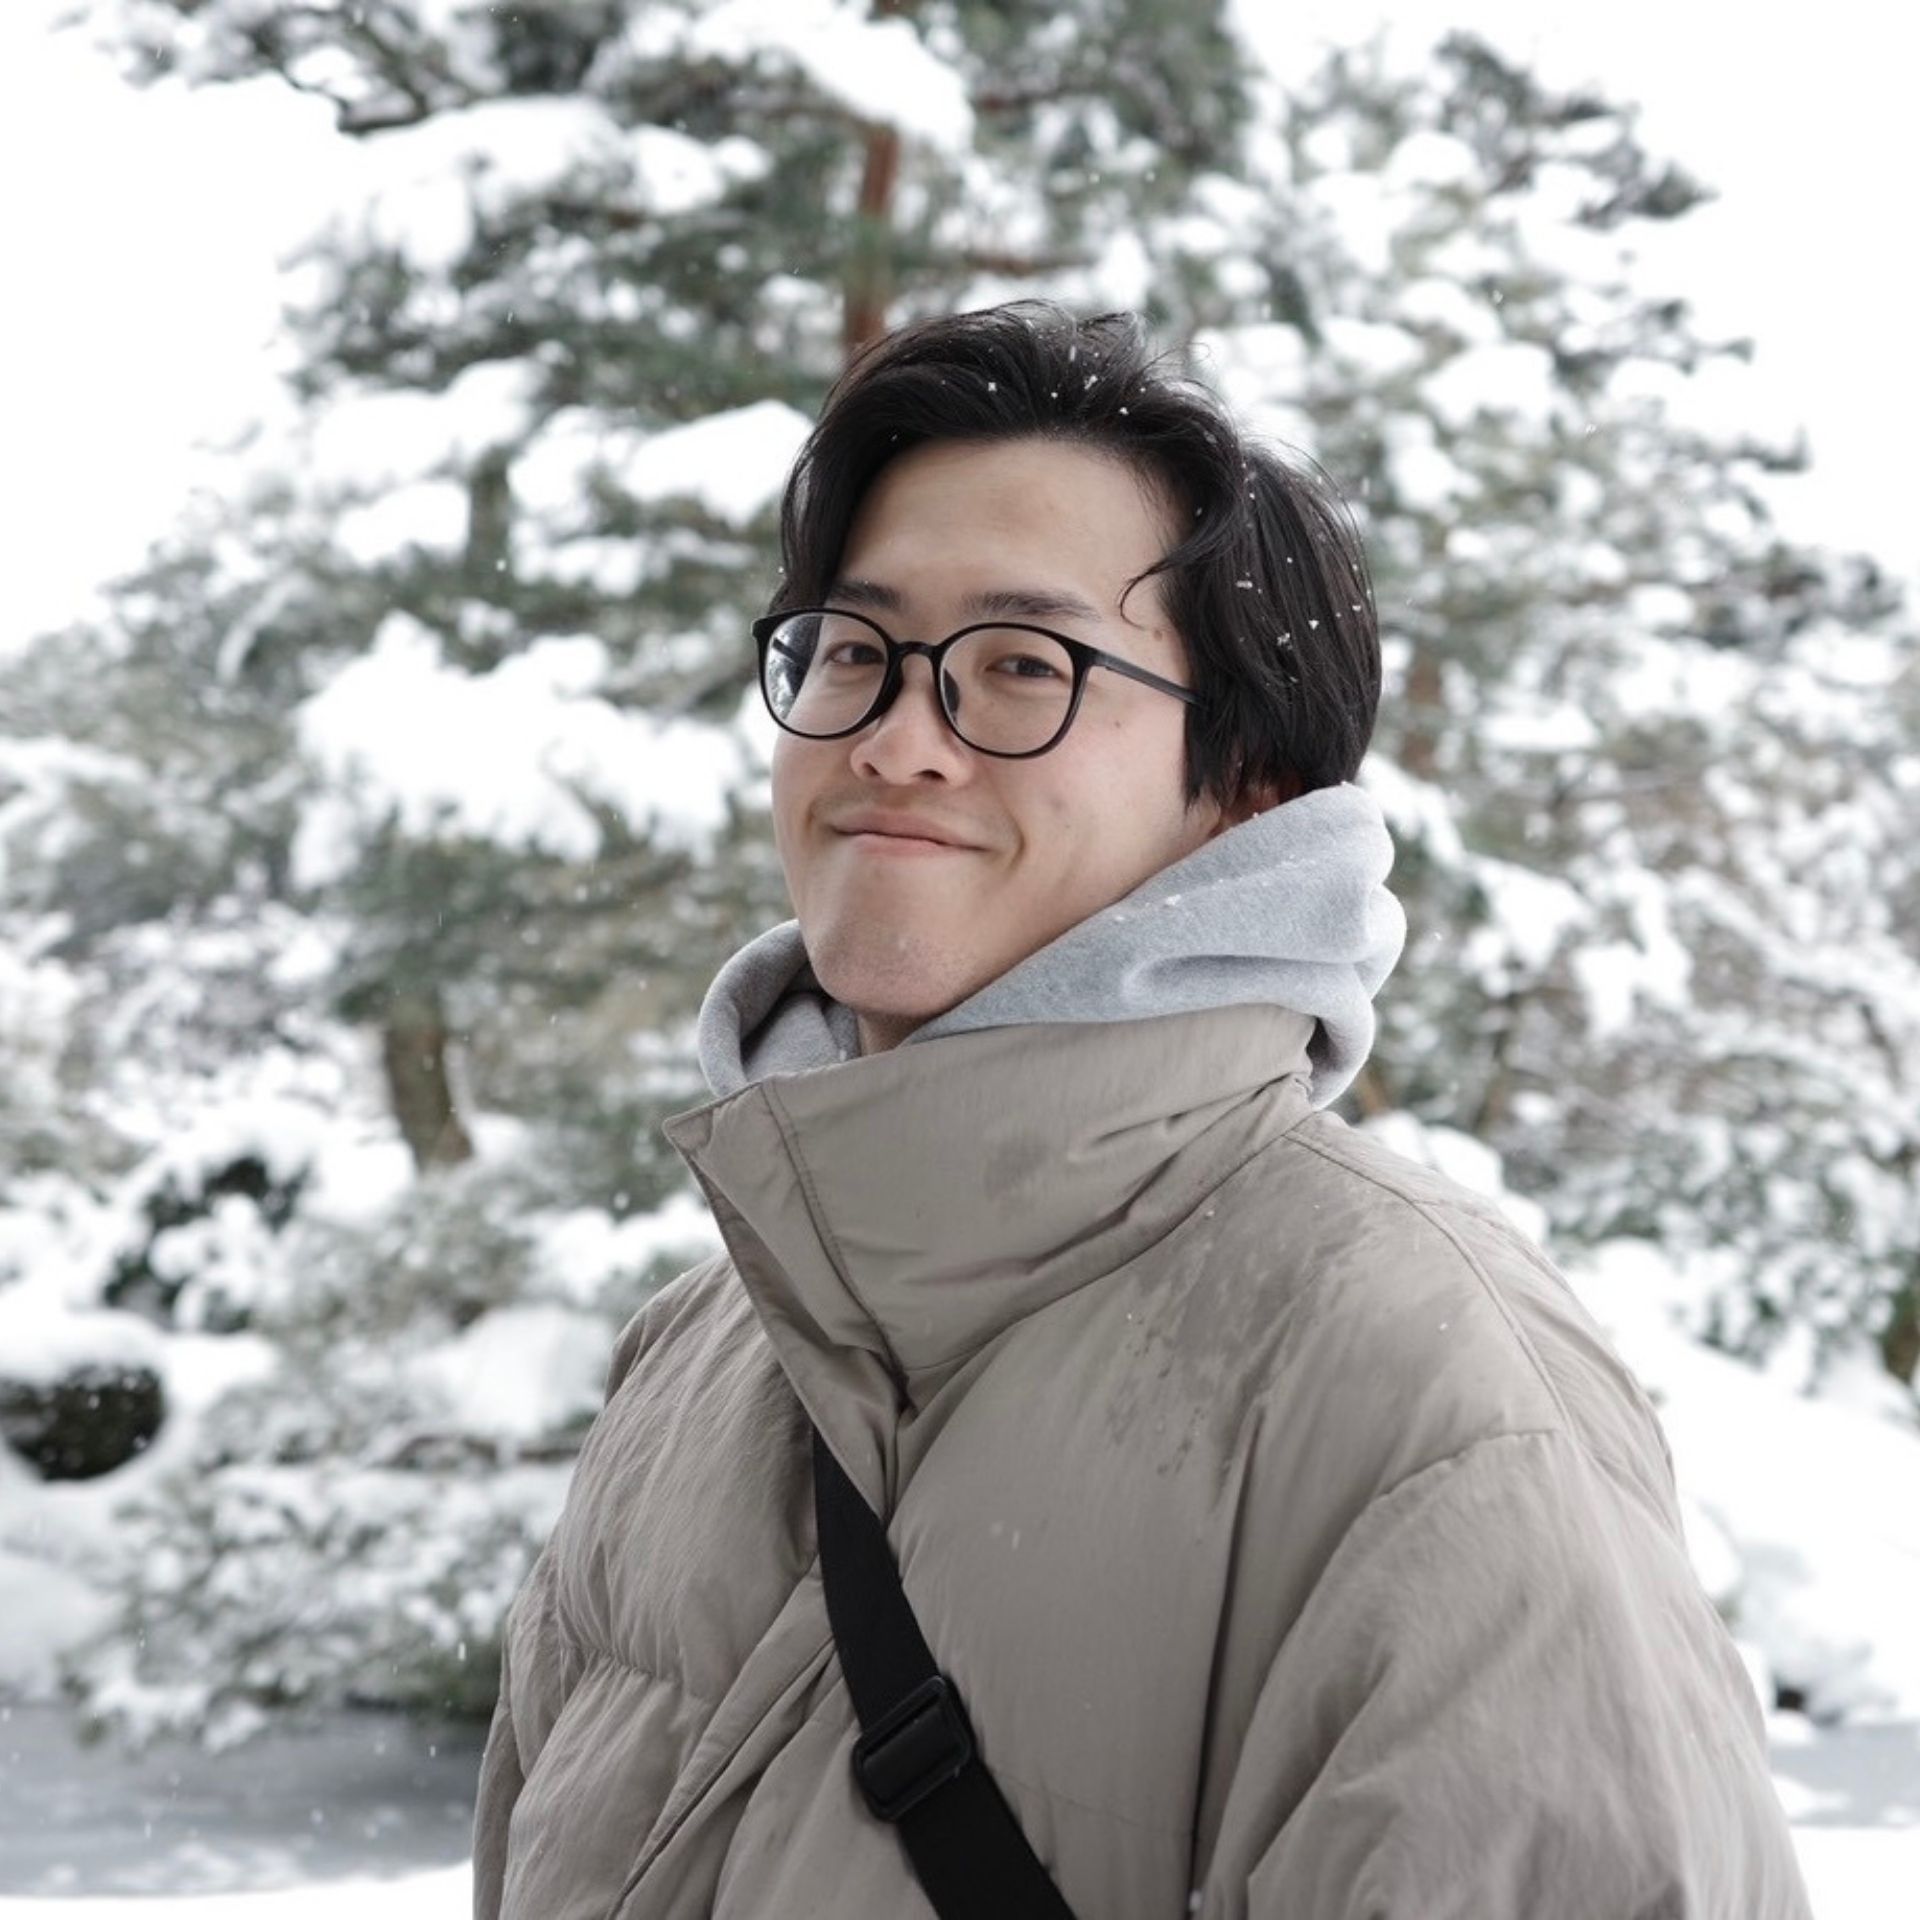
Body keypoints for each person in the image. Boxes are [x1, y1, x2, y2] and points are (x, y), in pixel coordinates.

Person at [472, 302, 1811, 1918]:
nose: (897, 740)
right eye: (855, 652)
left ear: (1244, 791)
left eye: (1020, 668)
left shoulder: (1419, 1385)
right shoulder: (700, 1355)